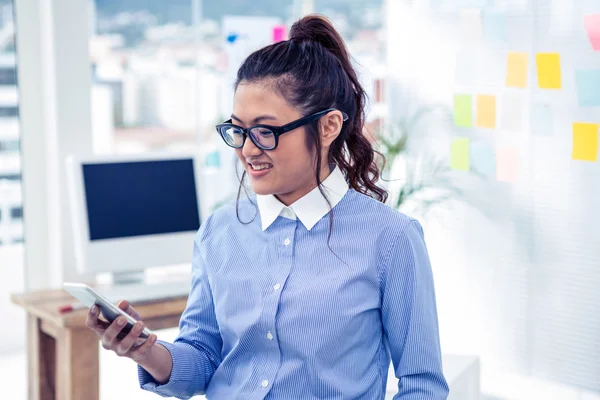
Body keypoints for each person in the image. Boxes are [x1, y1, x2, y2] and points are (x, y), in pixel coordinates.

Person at [85, 14, 449, 400]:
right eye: (238, 130)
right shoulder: (220, 231)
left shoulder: (391, 239)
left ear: (328, 127)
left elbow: (422, 386)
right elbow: (203, 360)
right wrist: (146, 351)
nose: (247, 149)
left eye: (266, 131)